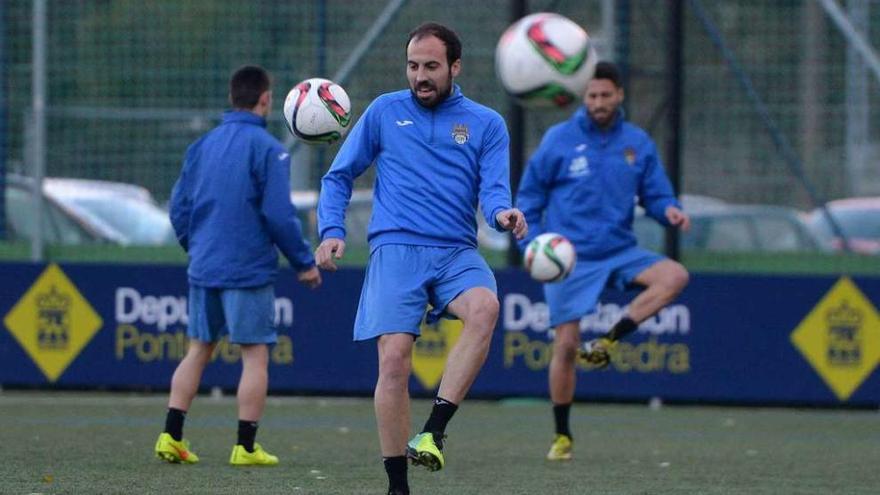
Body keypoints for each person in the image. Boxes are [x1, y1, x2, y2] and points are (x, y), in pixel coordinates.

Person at [315, 22, 526, 495]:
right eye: (413, 66)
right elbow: (337, 177)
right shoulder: (384, 112)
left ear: (455, 67)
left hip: (455, 252)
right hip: (396, 249)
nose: (420, 76)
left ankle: (433, 430)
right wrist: (331, 232)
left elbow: (493, 195)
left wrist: (503, 214)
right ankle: (397, 485)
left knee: (486, 308)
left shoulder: (487, 123)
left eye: (431, 66)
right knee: (393, 361)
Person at [515, 61, 690, 462]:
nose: (597, 102)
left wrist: (671, 212)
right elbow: (530, 196)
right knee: (566, 345)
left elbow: (657, 195)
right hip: (569, 257)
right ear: (584, 97)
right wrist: (538, 240)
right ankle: (562, 435)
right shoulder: (559, 139)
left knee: (675, 276)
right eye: (591, 96)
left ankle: (609, 339)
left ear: (619, 96)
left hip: (620, 250)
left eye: (605, 95)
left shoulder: (637, 143)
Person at [154, 65, 321, 466]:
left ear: (233, 98)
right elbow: (279, 215)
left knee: (197, 349)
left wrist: (197, 246)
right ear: (265, 99)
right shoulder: (269, 149)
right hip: (247, 270)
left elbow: (179, 207)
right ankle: (245, 447)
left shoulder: (202, 145)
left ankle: (170, 437)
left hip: (204, 265)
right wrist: (303, 261)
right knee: (255, 356)